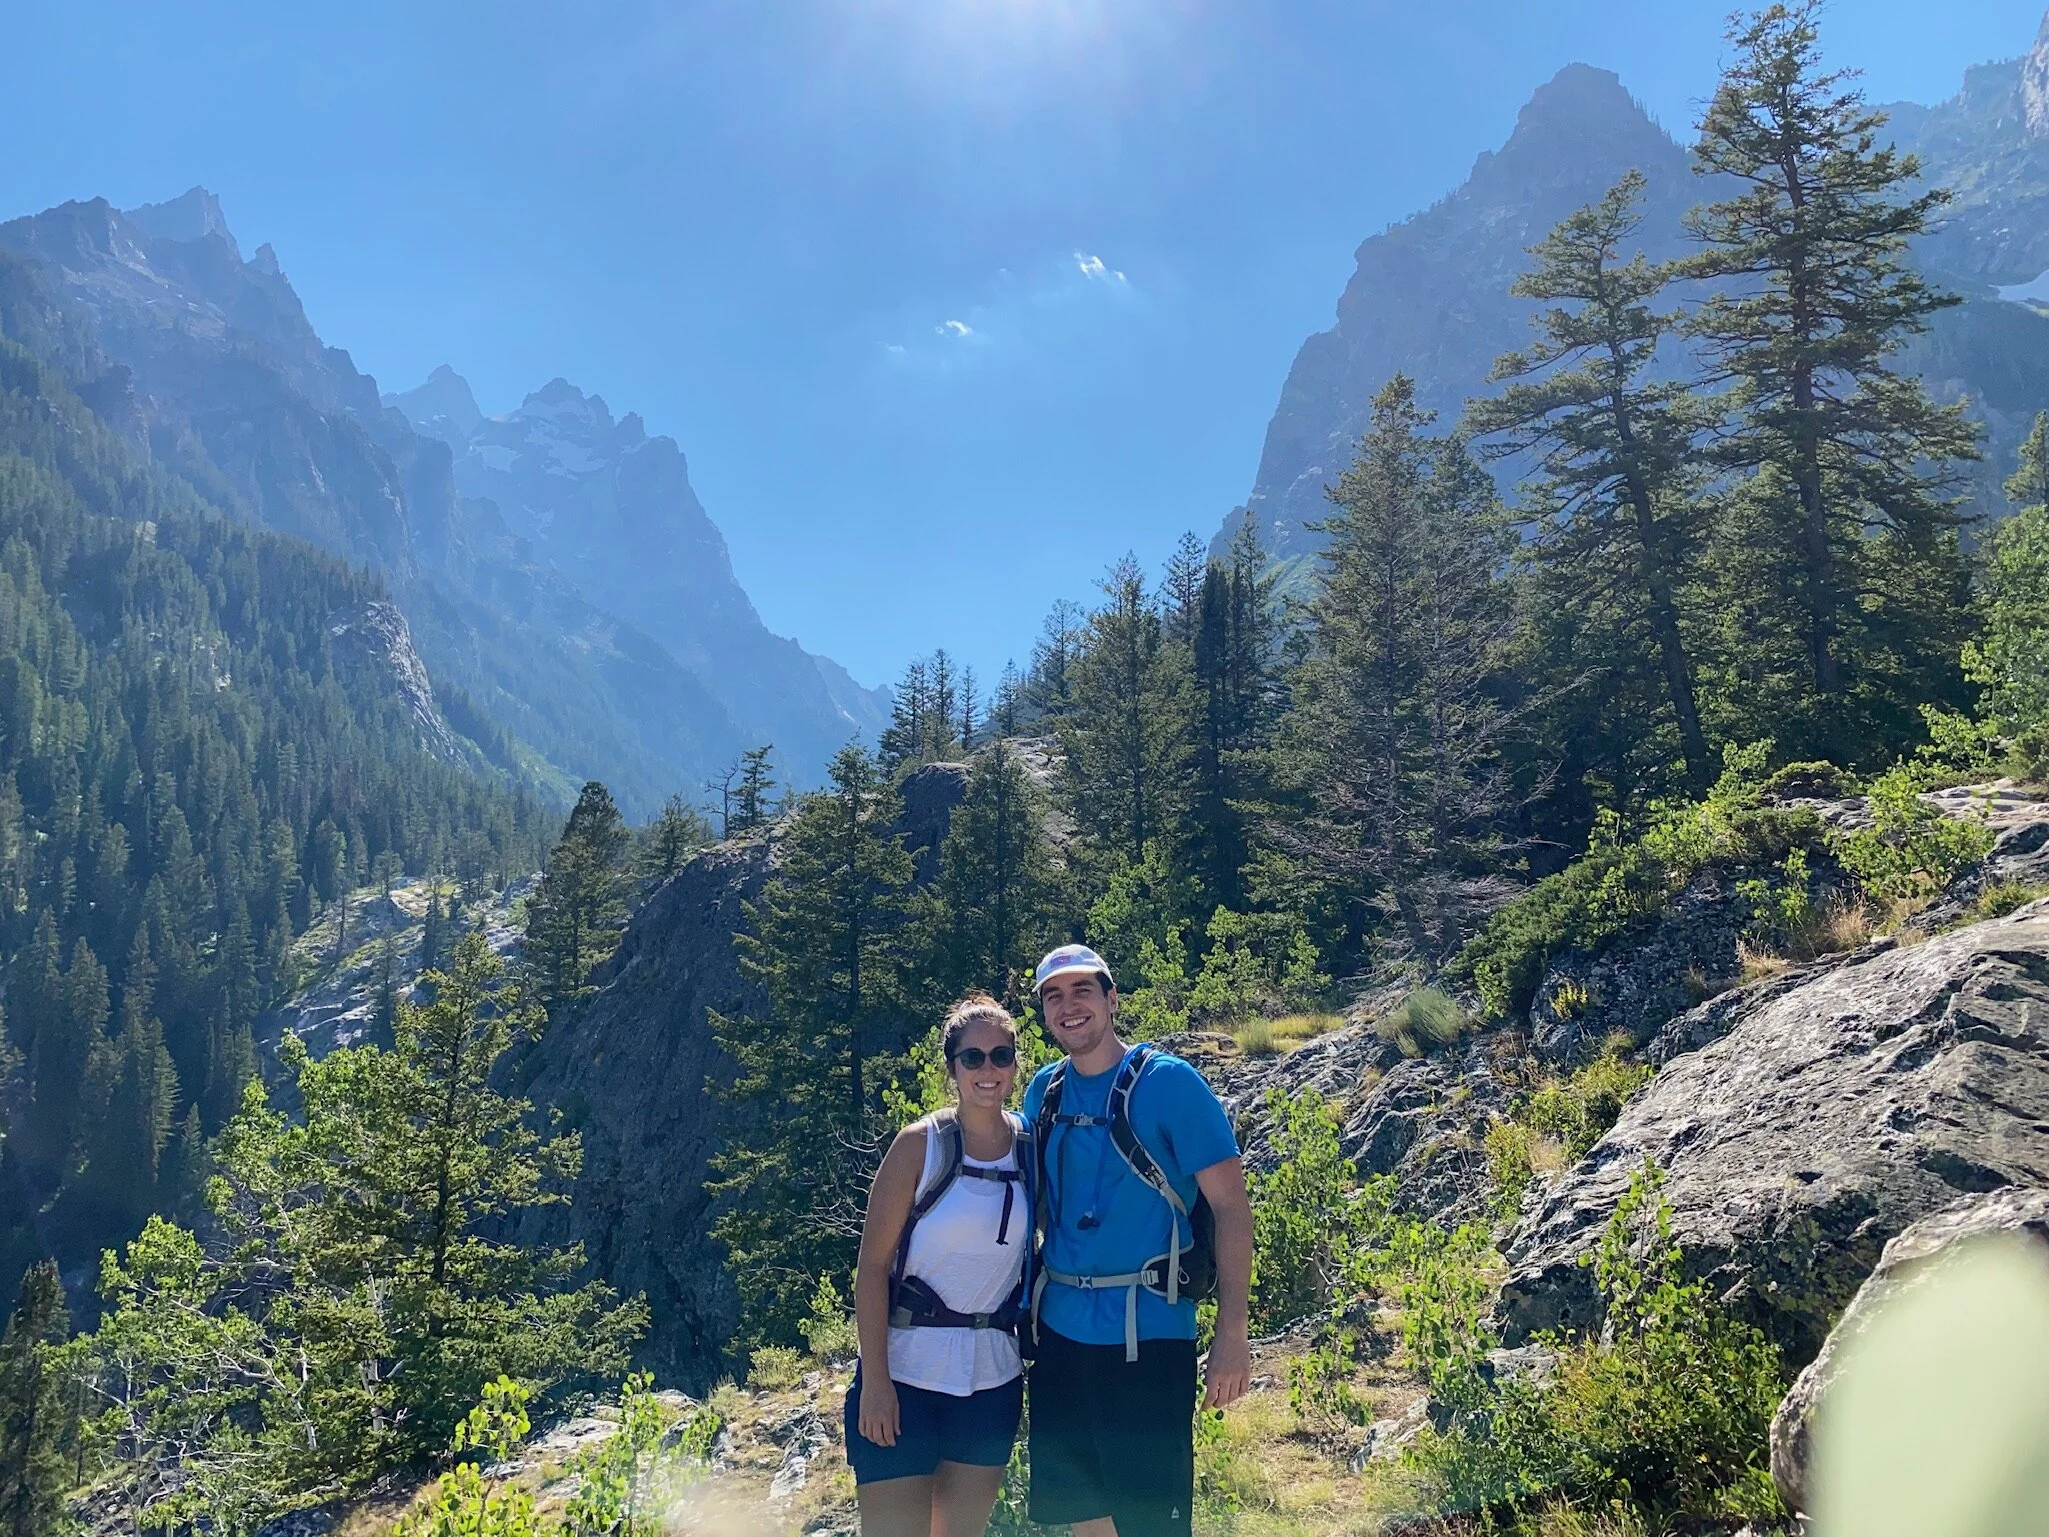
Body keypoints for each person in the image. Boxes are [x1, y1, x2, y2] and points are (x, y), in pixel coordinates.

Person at [1023, 943, 1254, 1537]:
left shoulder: (1172, 1084)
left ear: (1111, 999)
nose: (1069, 1007)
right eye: (1054, 996)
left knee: (1152, 1522)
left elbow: (1231, 1208)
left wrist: (1232, 1335)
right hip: (1061, 1335)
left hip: (1148, 1336)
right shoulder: (1043, 1092)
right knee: (1086, 1519)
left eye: (1082, 992)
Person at [847, 993, 1034, 1537]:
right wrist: (876, 1384)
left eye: (1001, 1055)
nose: (988, 1069)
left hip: (992, 1383)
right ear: (952, 1067)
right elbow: (872, 1268)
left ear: (1014, 1063)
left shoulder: (1029, 1147)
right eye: (972, 1057)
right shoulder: (918, 1147)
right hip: (905, 1379)